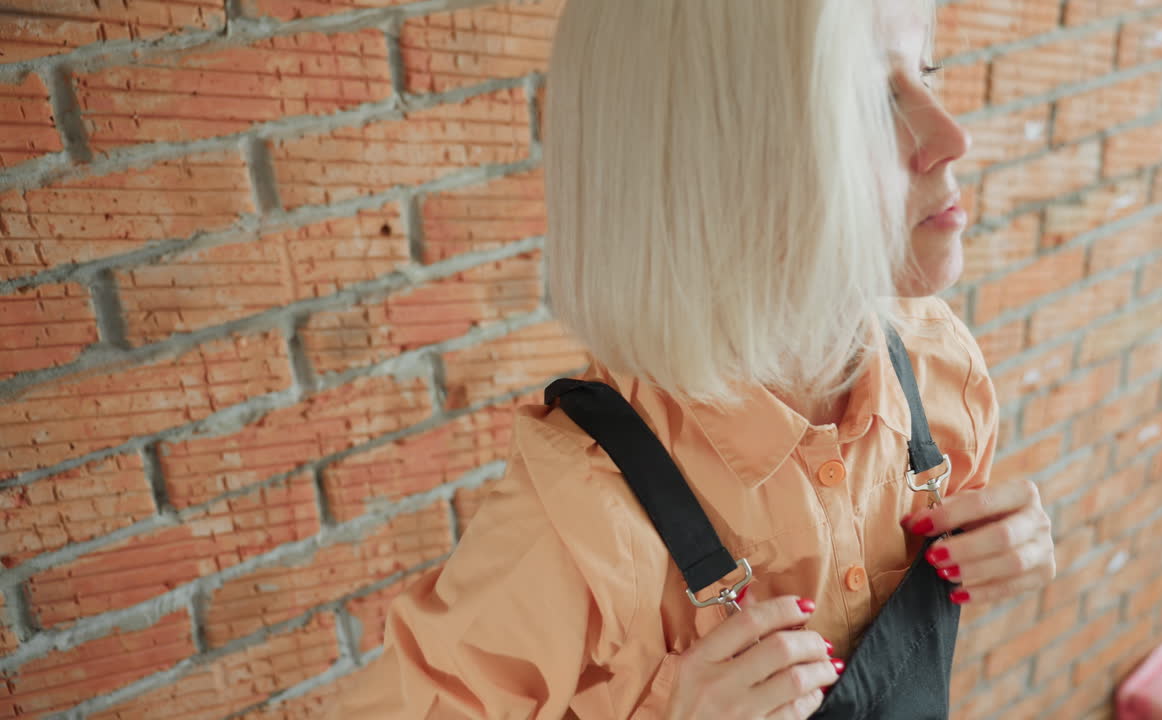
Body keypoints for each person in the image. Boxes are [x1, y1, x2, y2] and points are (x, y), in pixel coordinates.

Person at [327, 1, 1056, 718]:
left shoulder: (937, 371)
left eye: (926, 72)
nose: (952, 136)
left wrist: (1004, 551)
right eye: (868, 101)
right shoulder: (580, 519)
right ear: (713, 167)